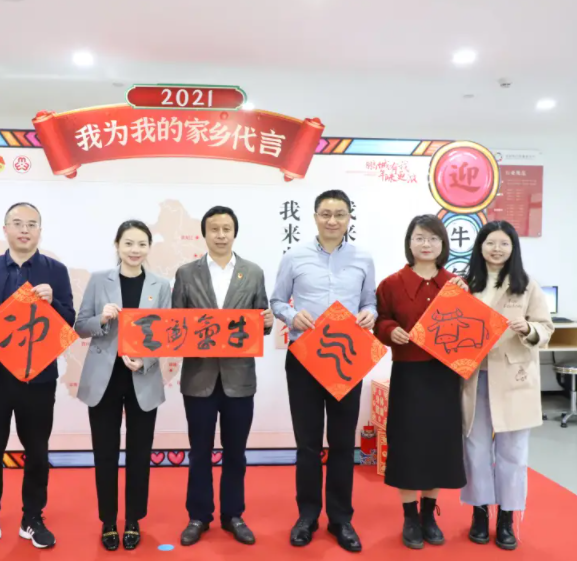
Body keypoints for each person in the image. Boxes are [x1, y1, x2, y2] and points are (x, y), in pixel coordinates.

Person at [0, 202, 75, 555]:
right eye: (18, 223)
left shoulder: (56, 271)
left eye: (32, 224)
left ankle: (33, 517)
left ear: (40, 231)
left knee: (37, 451)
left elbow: (69, 321)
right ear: (5, 229)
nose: (25, 230)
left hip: (38, 379)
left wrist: (53, 303)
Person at [270, 189, 375, 552]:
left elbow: (370, 301)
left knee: (343, 443)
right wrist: (290, 315)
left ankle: (341, 518)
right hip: (304, 356)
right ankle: (307, 515)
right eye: (326, 214)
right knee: (308, 444)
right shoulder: (294, 256)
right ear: (315, 217)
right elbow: (276, 300)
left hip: (347, 358)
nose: (333, 220)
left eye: (340, 214)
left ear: (349, 218)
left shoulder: (363, 258)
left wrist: (370, 314)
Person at [172, 206, 273, 546]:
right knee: (199, 452)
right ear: (204, 233)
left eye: (226, 228)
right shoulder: (186, 273)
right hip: (198, 377)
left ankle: (233, 515)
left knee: (236, 453)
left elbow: (261, 321)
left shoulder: (253, 272)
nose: (220, 234)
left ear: (234, 233)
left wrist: (267, 322)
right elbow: (176, 323)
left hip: (238, 379)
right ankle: (198, 516)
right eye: (214, 228)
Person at [74, 220, 172, 551]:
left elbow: (167, 333)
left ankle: (132, 519)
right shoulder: (99, 280)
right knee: (105, 453)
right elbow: (80, 326)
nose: (135, 250)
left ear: (149, 247)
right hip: (104, 379)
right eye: (128, 243)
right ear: (117, 245)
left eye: (141, 244)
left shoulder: (160, 285)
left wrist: (145, 361)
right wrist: (101, 319)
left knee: (140, 454)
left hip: (142, 377)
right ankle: (108, 520)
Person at [373, 215, 468, 549]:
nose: (426, 244)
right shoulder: (391, 283)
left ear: (443, 244)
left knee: (439, 443)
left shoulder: (456, 285)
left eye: (433, 238)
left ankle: (429, 514)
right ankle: (410, 517)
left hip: (444, 374)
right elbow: (379, 321)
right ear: (409, 242)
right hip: (409, 373)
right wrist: (390, 331)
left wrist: (466, 297)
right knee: (408, 443)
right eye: (419, 238)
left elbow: (470, 325)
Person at [460, 221, 553, 550]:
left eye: (503, 244)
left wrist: (527, 328)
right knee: (475, 449)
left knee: (512, 452)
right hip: (475, 377)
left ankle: (507, 518)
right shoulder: (465, 284)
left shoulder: (526, 285)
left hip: (514, 378)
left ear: (513, 248)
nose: (496, 249)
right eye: (490, 243)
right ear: (480, 247)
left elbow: (546, 328)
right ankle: (479, 512)